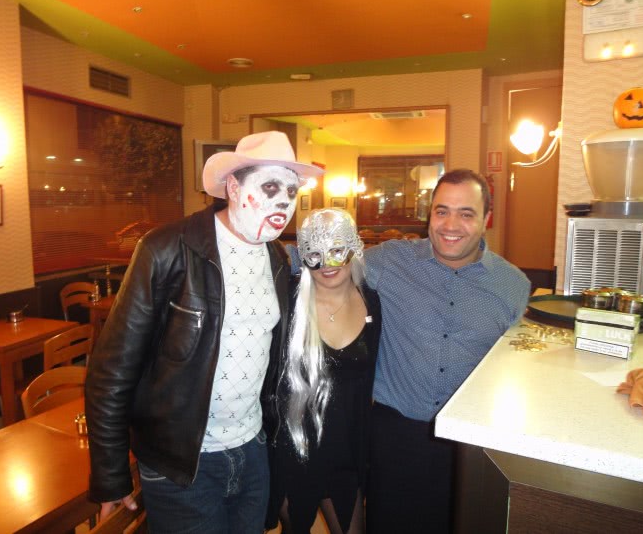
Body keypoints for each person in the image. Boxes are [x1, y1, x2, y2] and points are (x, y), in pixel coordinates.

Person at [84, 131, 322, 534]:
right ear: (233, 187)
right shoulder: (167, 249)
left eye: (291, 190)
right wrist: (110, 475)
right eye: (269, 187)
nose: (284, 201)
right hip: (182, 462)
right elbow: (111, 370)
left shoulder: (277, 258)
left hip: (252, 451)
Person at [363, 168, 530, 534]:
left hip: (472, 442)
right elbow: (327, 265)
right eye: (442, 211)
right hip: (395, 433)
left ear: (486, 219)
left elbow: (517, 366)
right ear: (430, 215)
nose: (451, 225)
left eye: (466, 214)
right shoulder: (389, 261)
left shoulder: (514, 285)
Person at [267, 209, 381, 534]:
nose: (327, 264)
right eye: (314, 254)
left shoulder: (372, 302)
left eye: (336, 251)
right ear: (303, 257)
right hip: (292, 452)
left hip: (346, 452)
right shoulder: (286, 300)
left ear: (353, 249)